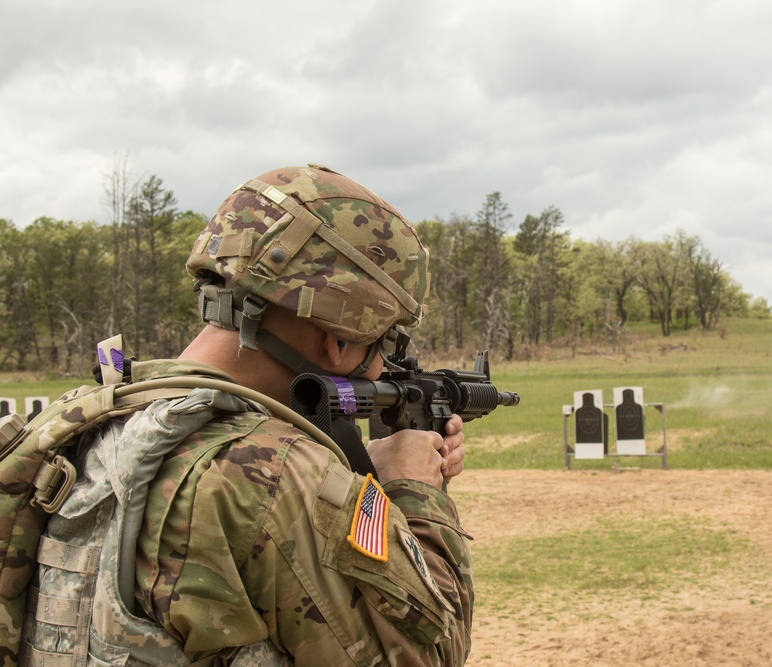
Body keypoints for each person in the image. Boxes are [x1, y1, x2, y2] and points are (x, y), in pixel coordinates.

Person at [18, 165, 473, 666]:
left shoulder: (92, 419)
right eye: (388, 341)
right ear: (340, 339)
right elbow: (428, 655)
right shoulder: (271, 472)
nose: (386, 364)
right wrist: (415, 489)